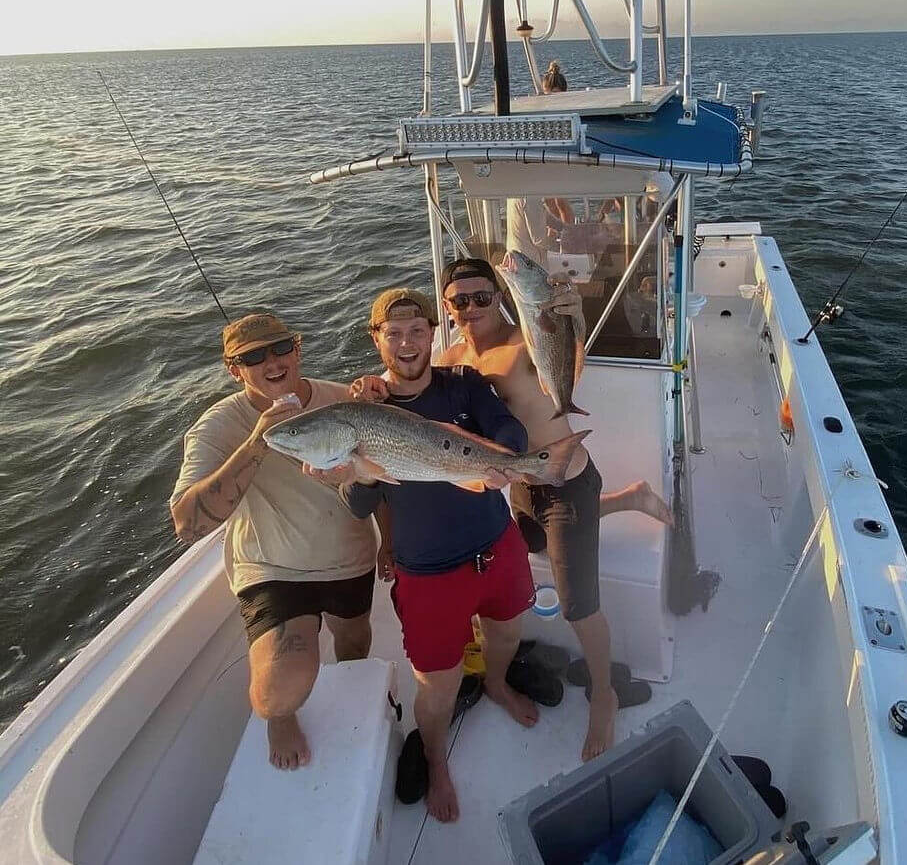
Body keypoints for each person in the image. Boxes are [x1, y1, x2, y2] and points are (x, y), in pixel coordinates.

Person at [436, 258, 672, 761]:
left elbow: (569, 360)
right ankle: (632, 498)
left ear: (500, 295)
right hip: (522, 486)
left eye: (482, 296)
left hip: (566, 481)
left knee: (576, 603)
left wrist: (573, 318)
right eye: (461, 300)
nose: (472, 307)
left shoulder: (526, 340)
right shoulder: (452, 356)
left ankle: (603, 695)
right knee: (530, 547)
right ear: (448, 307)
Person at [332, 288, 541, 824]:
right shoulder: (365, 412)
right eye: (393, 333)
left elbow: (505, 425)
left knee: (508, 634)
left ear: (433, 333)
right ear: (376, 339)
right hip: (428, 572)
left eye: (417, 331)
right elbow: (359, 504)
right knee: (436, 680)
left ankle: (495, 682)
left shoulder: (464, 384)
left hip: (497, 545)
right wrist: (356, 471)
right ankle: (433, 755)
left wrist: (505, 458)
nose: (406, 344)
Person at [169, 313, 378, 771]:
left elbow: (379, 479)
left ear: (298, 349)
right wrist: (261, 440)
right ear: (233, 369)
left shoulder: (341, 399)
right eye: (253, 356)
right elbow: (187, 524)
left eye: (282, 347)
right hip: (273, 568)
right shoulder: (218, 425)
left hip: (349, 556)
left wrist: (394, 545)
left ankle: (351, 691)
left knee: (355, 642)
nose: (273, 361)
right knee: (277, 693)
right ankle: (280, 721)